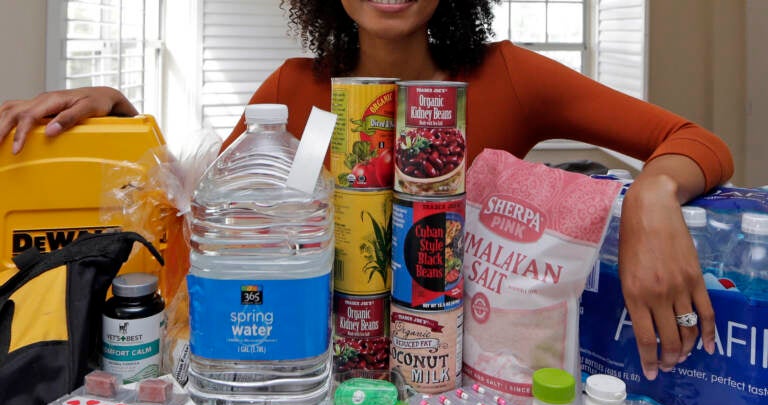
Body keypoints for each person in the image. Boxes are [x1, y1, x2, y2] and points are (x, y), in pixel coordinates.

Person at [0, 0, 733, 381]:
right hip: (323, 374)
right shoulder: (293, 89)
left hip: (478, 374)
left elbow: (699, 142)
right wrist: (121, 118)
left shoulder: (509, 75)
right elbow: (192, 224)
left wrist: (652, 195)